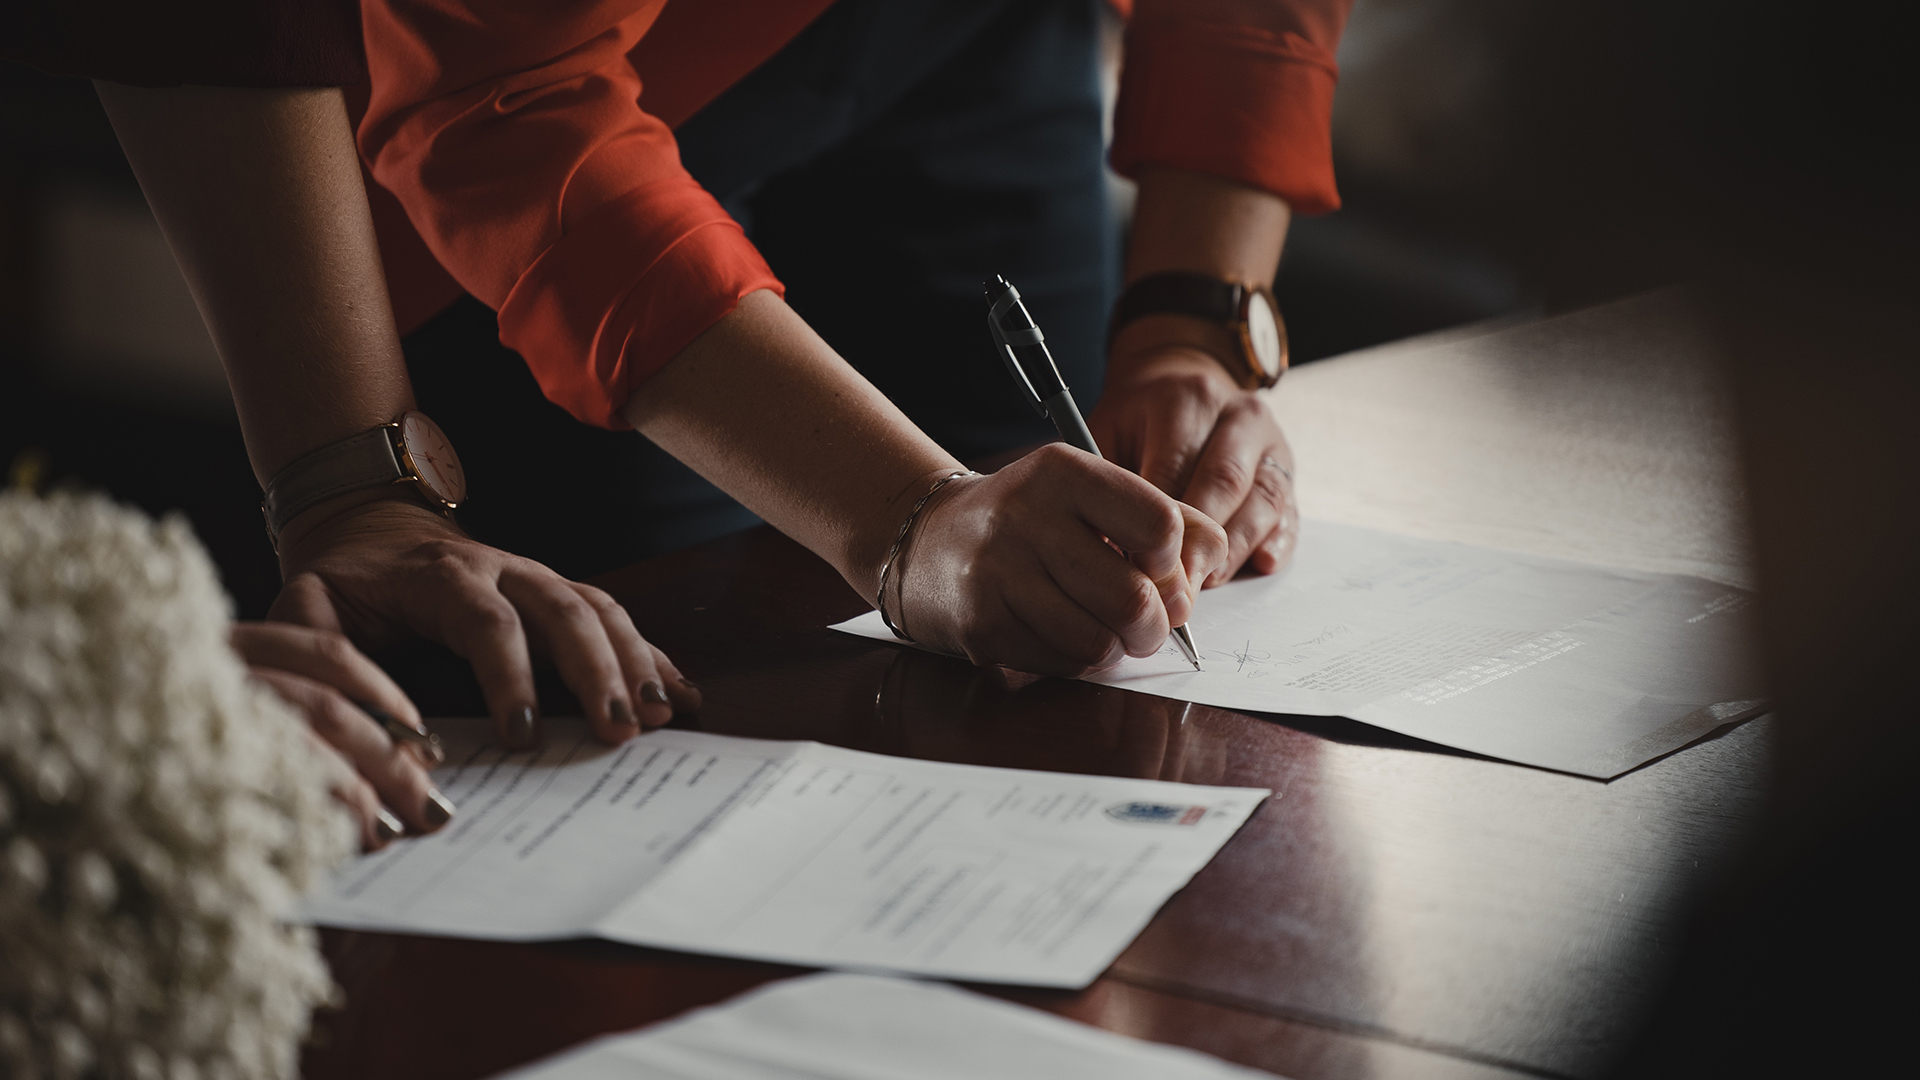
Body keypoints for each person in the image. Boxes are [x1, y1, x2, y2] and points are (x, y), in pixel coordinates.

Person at [326, 0, 1342, 683]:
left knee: (1054, 619)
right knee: (681, 686)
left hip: (985, 34)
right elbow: (501, 101)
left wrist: (1188, 324)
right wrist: (904, 518)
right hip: (574, 119)